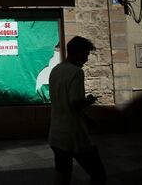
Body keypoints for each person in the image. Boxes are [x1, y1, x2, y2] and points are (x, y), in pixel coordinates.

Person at [48, 36, 106, 185]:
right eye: (85, 54)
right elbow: (75, 103)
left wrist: (87, 119)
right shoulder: (76, 72)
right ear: (77, 53)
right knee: (99, 175)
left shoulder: (55, 70)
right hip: (74, 137)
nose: (86, 59)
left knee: (63, 175)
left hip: (56, 134)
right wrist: (89, 100)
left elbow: (64, 104)